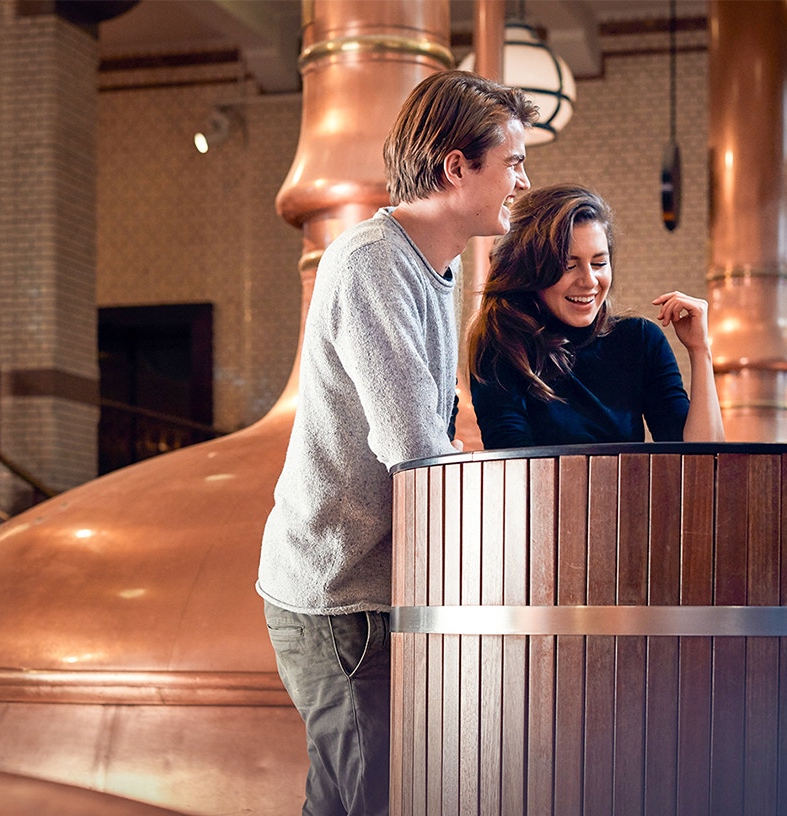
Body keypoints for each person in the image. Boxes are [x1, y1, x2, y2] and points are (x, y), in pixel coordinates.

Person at [256, 70, 535, 816]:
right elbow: (414, 446)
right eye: (512, 161)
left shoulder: (430, 269)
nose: (522, 180)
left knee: (346, 803)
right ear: (455, 166)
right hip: (339, 598)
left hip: (366, 594)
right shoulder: (375, 261)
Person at [466, 184, 724, 447]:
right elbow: (513, 468)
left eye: (599, 263)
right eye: (569, 265)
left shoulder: (641, 340)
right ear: (529, 269)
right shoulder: (501, 347)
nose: (589, 281)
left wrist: (700, 350)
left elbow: (700, 461)